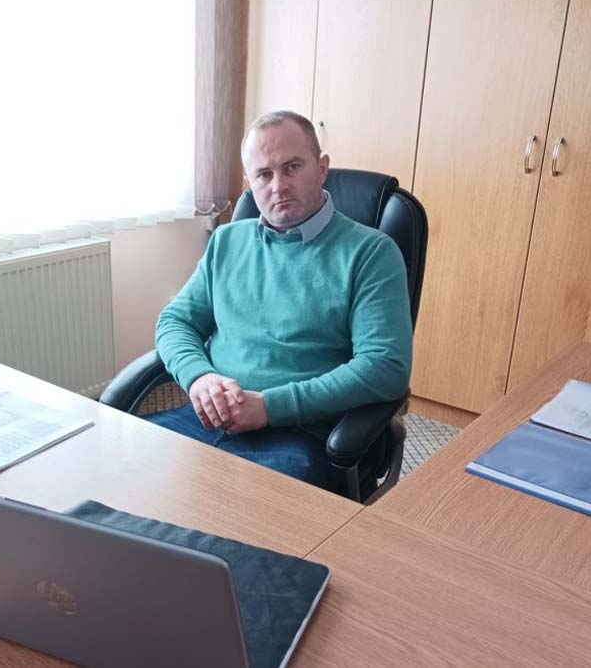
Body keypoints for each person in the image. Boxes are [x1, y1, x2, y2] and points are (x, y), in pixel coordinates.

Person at [144, 110, 412, 492]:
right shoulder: (226, 242)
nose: (278, 186)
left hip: (300, 435)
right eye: (263, 175)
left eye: (292, 167)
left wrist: (269, 407)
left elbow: (385, 366)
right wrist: (200, 377)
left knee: (235, 521)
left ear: (322, 168)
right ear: (249, 183)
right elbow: (176, 321)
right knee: (120, 478)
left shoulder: (370, 253)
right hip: (206, 418)